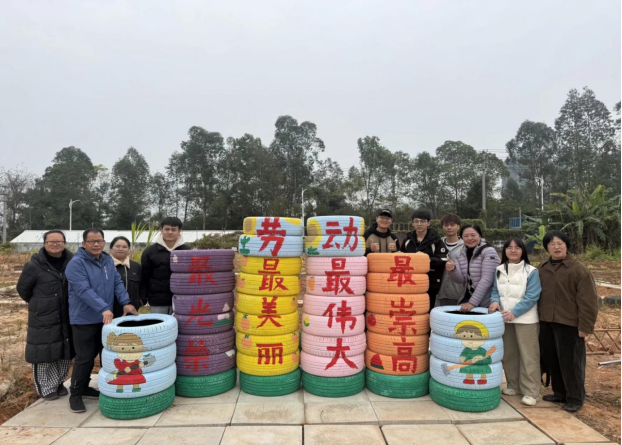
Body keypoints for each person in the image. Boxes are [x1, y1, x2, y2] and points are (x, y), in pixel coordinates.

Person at [66, 228, 138, 413]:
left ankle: (85, 387)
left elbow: (116, 283)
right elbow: (83, 290)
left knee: (101, 355)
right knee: (84, 357)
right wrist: (103, 308)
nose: (96, 244)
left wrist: (126, 302)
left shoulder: (106, 260)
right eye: (92, 241)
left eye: (99, 241)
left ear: (104, 243)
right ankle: (75, 394)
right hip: (84, 319)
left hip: (104, 319)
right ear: (84, 244)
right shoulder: (76, 264)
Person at [538, 231, 599, 413]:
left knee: (571, 362)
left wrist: (585, 326)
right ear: (547, 248)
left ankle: (575, 398)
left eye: (560, 243)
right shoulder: (542, 269)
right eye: (552, 244)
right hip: (546, 322)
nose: (556, 247)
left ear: (566, 245)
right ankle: (560, 393)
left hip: (569, 323)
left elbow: (588, 301)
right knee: (552, 359)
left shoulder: (578, 269)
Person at [16, 230, 74, 400]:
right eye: (51, 242)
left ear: (64, 243)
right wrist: (41, 303)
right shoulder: (33, 266)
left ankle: (58, 382)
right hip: (43, 316)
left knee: (64, 350)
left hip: (67, 314)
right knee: (43, 353)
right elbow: (23, 290)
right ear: (45, 244)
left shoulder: (72, 262)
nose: (55, 244)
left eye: (59, 241)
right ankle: (46, 387)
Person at [489, 238, 542, 406]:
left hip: (526, 320)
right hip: (505, 319)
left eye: (517, 248)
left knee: (528, 356)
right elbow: (495, 291)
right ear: (504, 251)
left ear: (523, 251)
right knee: (510, 354)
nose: (513, 250)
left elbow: (532, 296)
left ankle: (531, 391)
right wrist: (495, 301)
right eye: (509, 247)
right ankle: (514, 385)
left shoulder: (531, 271)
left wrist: (515, 312)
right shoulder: (498, 270)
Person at [140, 217, 190, 314]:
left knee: (180, 323)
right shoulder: (150, 251)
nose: (170, 232)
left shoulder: (187, 251)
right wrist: (143, 297)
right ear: (161, 230)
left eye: (173, 229)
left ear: (179, 231)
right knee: (159, 323)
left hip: (181, 299)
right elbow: (144, 276)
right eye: (167, 229)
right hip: (158, 300)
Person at [446, 224, 500, 311]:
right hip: (468, 298)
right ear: (462, 238)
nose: (470, 238)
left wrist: (472, 303)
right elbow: (460, 280)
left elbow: (487, 280)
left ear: (480, 235)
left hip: (487, 302)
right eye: (466, 236)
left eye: (473, 235)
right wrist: (453, 269)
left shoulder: (488, 251)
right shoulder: (460, 253)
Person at [400, 210, 448, 308]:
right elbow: (401, 258)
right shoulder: (407, 240)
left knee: (426, 308)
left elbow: (443, 260)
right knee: (411, 308)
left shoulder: (436, 240)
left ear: (428, 223)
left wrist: (426, 259)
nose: (419, 224)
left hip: (430, 282)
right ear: (413, 223)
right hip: (409, 281)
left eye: (422, 221)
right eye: (416, 221)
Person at [436, 214, 466, 307]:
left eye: (452, 225)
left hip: (460, 295)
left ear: (458, 226)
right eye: (446, 225)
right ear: (442, 227)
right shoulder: (437, 244)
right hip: (439, 294)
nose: (449, 227)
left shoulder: (466, 246)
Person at [109, 236, 142, 318]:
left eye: (124, 247)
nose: (121, 249)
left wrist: (140, 302)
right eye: (117, 246)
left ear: (129, 250)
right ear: (111, 249)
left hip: (132, 310)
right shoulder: (105, 266)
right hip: (110, 311)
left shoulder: (136, 266)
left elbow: (143, 286)